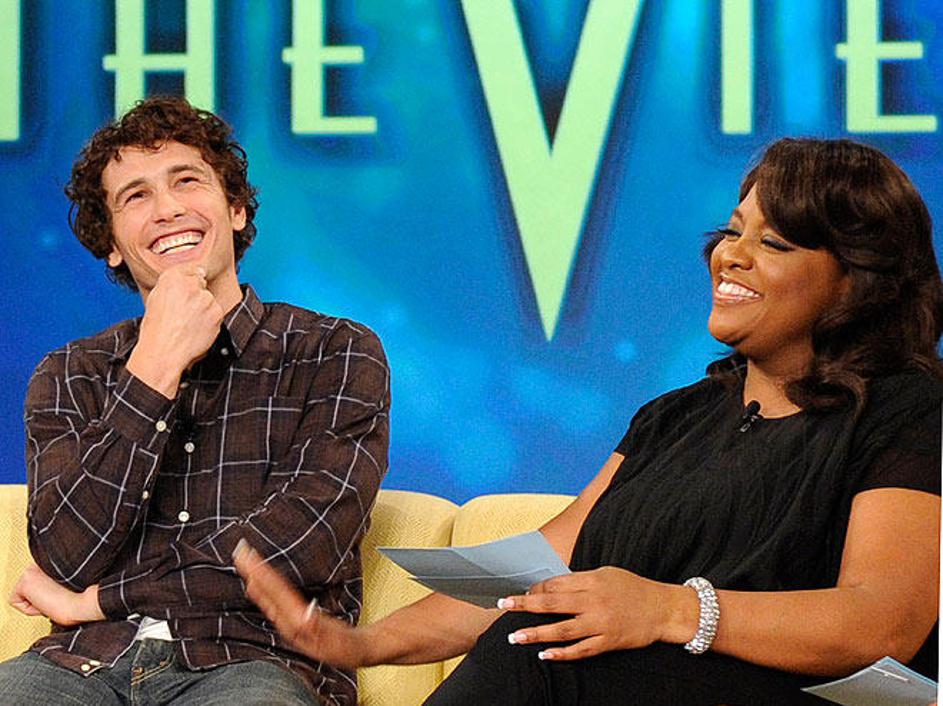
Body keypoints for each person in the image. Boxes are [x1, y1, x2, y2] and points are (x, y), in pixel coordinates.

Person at [234, 138, 942, 705]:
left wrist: (671, 610)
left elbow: (881, 623)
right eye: (731, 231)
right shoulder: (674, 417)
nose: (730, 255)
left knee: (541, 654)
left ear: (856, 279)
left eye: (775, 244)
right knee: (530, 631)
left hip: (808, 694)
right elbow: (536, 572)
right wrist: (361, 645)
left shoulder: (908, 410)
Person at [3, 96, 390, 706]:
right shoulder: (71, 374)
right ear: (112, 243)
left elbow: (293, 551)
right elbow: (64, 555)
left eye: (186, 181)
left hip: (251, 662)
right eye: (136, 196)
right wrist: (154, 367)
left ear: (235, 209)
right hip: (79, 665)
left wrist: (101, 600)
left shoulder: (334, 352)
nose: (167, 208)